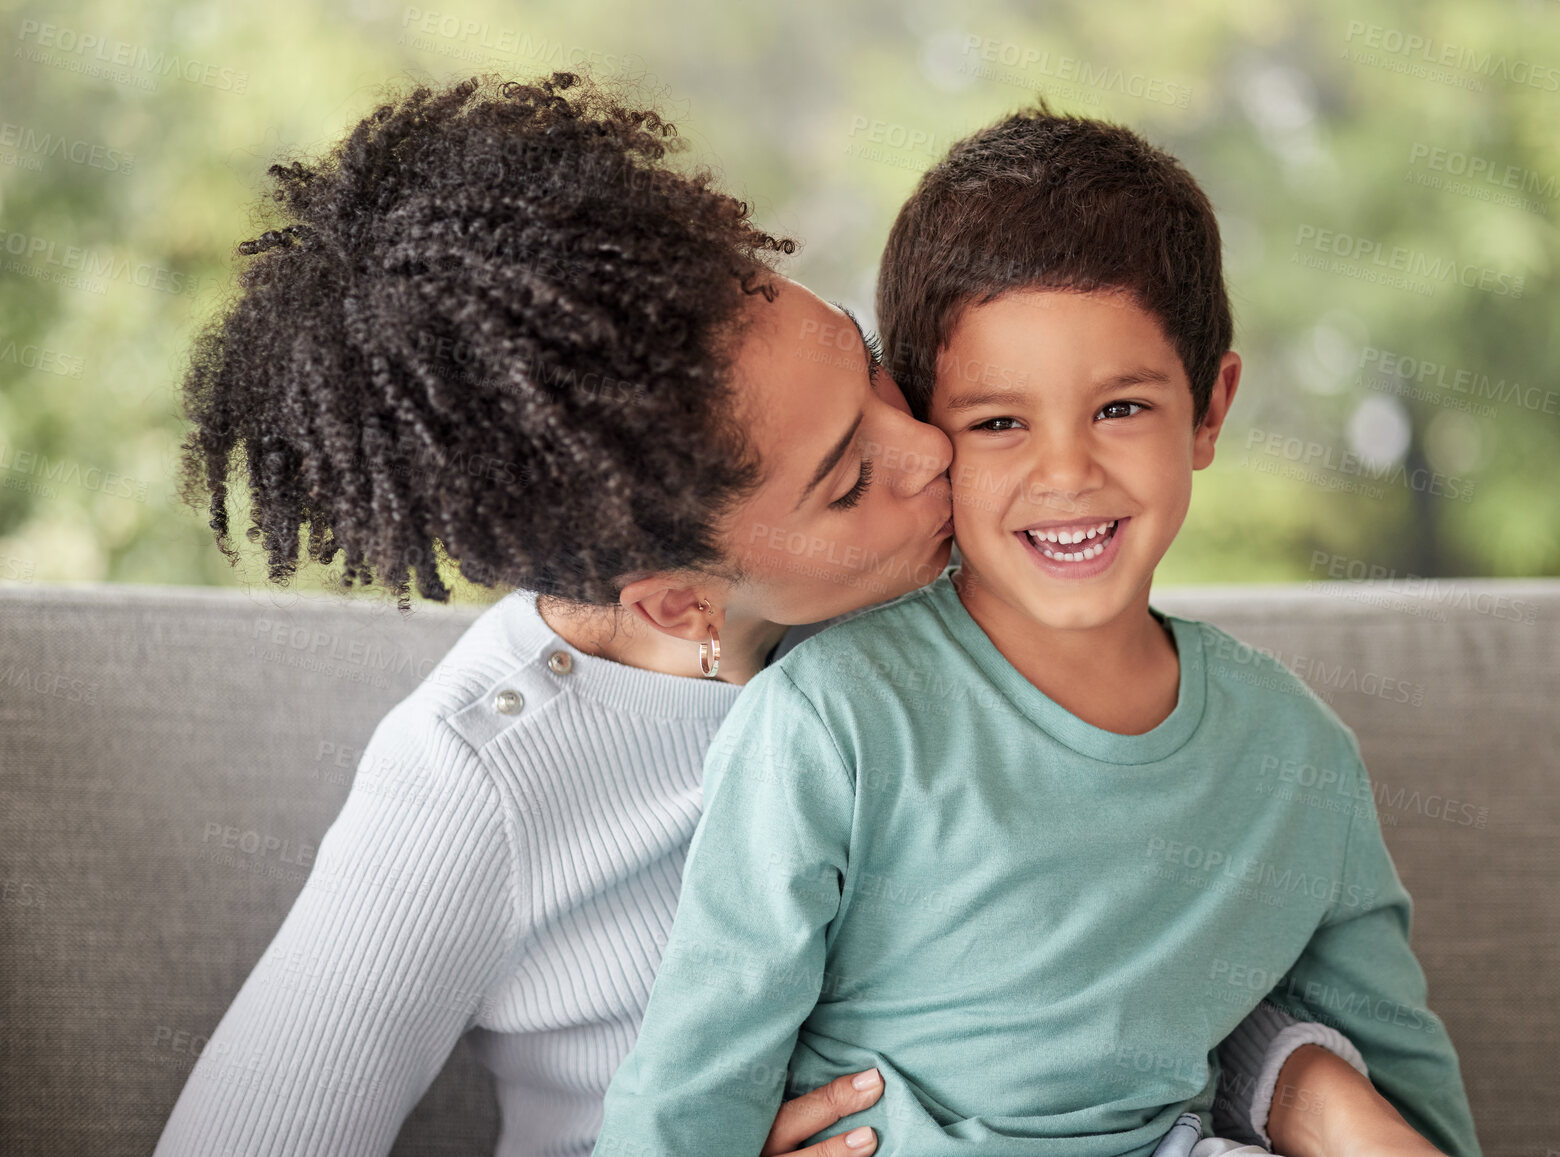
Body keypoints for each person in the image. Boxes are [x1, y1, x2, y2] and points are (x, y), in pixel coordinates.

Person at [154, 75, 1364, 1157]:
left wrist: (1293, 1079)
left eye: (870, 366)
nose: (933, 447)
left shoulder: (936, 607)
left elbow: (1100, 927)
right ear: (681, 597)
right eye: (846, 480)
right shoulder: (473, 784)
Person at [590, 109, 1482, 1157]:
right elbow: (695, 1078)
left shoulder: (1297, 753)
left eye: (1119, 408)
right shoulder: (828, 721)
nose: (1066, 473)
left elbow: (1402, 1098)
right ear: (927, 427)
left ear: (1208, 409)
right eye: (999, 421)